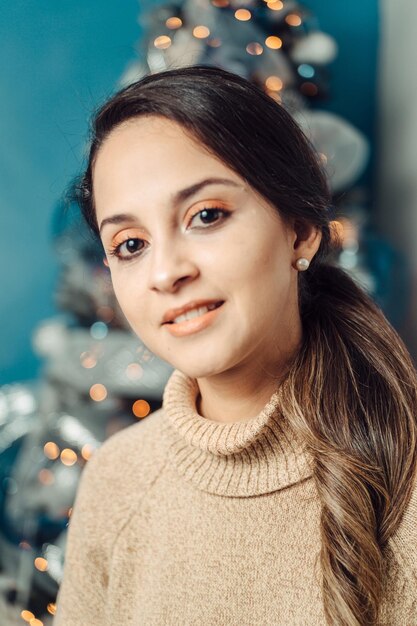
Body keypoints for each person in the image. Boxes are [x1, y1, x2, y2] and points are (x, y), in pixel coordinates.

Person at [53, 65, 417, 626]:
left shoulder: (405, 475)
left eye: (206, 215)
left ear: (299, 230)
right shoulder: (115, 481)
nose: (167, 272)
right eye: (130, 245)